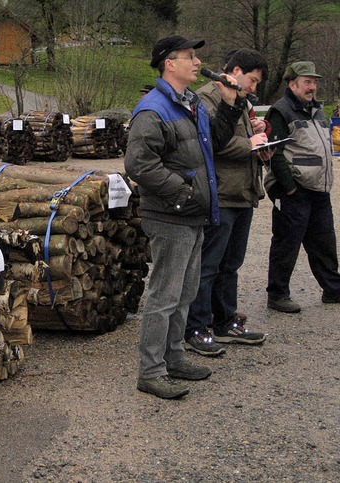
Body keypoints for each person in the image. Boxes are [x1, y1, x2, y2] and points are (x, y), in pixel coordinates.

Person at [124, 35, 245, 399]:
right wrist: (185, 194)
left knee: (186, 292)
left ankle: (174, 357)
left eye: (196, 56)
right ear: (169, 64)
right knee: (164, 295)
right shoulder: (153, 108)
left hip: (192, 215)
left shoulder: (189, 103)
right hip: (171, 215)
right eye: (189, 56)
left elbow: (215, 143)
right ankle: (151, 371)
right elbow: (139, 164)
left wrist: (229, 106)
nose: (197, 62)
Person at [184, 49, 271, 357]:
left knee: (231, 264)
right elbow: (209, 142)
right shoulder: (209, 96)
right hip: (221, 194)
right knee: (208, 265)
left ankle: (224, 321)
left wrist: (258, 136)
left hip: (243, 193)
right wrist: (248, 143)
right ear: (236, 70)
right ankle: (196, 326)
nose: (254, 88)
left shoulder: (241, 99)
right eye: (253, 80)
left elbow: (237, 138)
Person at [263, 61, 340, 312]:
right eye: (307, 82)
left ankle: (332, 289)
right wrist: (289, 187)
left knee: (324, 241)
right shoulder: (281, 110)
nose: (313, 87)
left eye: (314, 82)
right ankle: (277, 294)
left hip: (318, 188)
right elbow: (274, 153)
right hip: (295, 189)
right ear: (292, 84)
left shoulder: (316, 109)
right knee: (287, 242)